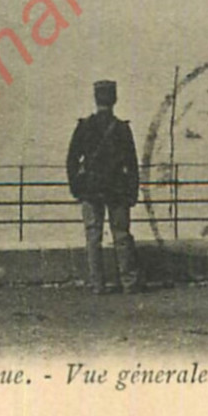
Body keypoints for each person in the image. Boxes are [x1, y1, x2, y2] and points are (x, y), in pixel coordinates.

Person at [65, 79, 141, 294]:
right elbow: (132, 165)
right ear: (114, 99)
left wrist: (76, 188)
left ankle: (97, 284)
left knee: (93, 236)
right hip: (117, 190)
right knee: (122, 235)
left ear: (95, 98)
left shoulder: (84, 127)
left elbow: (71, 160)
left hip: (91, 190)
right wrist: (132, 193)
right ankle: (129, 282)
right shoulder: (122, 129)